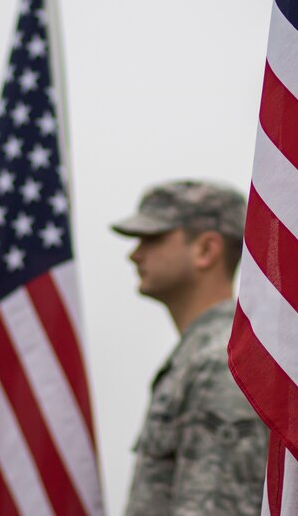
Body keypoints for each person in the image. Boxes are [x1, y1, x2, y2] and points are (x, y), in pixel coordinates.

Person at [111, 179, 268, 516]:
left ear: (205, 250)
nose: (134, 253)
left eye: (153, 238)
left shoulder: (219, 361)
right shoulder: (205, 354)